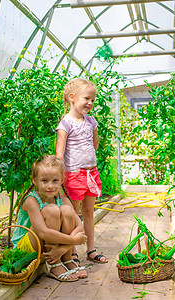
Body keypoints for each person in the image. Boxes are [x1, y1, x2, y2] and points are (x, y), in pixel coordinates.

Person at [55, 78, 108, 264]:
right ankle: (72, 251)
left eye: (93, 100)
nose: (90, 103)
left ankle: (91, 249)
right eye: (87, 98)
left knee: (88, 212)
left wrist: (88, 159)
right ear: (72, 97)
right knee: (73, 214)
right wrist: (60, 177)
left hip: (90, 174)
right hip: (73, 175)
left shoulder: (91, 121)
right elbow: (59, 154)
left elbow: (95, 143)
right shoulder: (66, 124)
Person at [11, 155, 88, 282]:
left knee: (67, 210)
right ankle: (54, 264)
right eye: (44, 181)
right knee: (51, 210)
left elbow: (79, 226)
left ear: (62, 180)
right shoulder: (31, 200)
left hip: (51, 247)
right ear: (35, 180)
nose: (50, 186)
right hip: (25, 248)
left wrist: (62, 249)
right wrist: (74, 240)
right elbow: (43, 232)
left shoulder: (62, 199)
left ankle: (67, 259)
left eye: (55, 181)